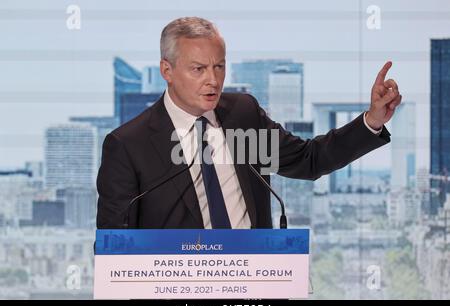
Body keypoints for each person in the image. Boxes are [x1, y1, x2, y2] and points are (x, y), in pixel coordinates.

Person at [96, 17, 402, 229]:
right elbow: (114, 245)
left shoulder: (243, 114)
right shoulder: (128, 145)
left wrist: (372, 120)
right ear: (167, 70)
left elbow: (309, 160)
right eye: (199, 69)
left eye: (219, 67)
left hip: (253, 290)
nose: (213, 80)